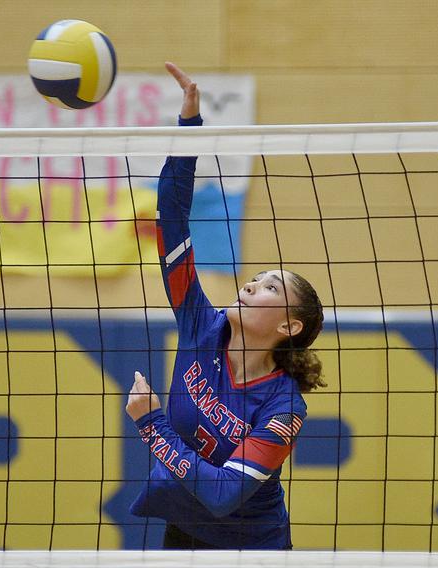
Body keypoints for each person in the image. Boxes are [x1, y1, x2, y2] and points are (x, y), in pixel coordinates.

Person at [125, 62, 326, 550]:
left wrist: (152, 423)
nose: (253, 285)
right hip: (181, 533)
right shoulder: (202, 325)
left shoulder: (283, 407)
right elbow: (171, 218)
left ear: (289, 326)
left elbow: (222, 493)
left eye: (271, 288)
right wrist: (189, 129)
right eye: (256, 279)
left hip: (252, 549)